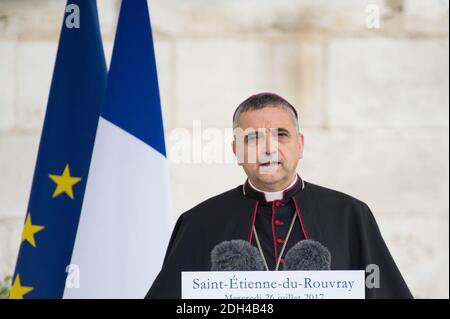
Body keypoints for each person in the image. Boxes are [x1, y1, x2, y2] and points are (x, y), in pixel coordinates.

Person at [145, 93, 413, 299]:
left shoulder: (350, 215)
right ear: (236, 151)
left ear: (300, 145)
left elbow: (381, 289)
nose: (268, 149)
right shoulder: (200, 221)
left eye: (280, 135)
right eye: (252, 138)